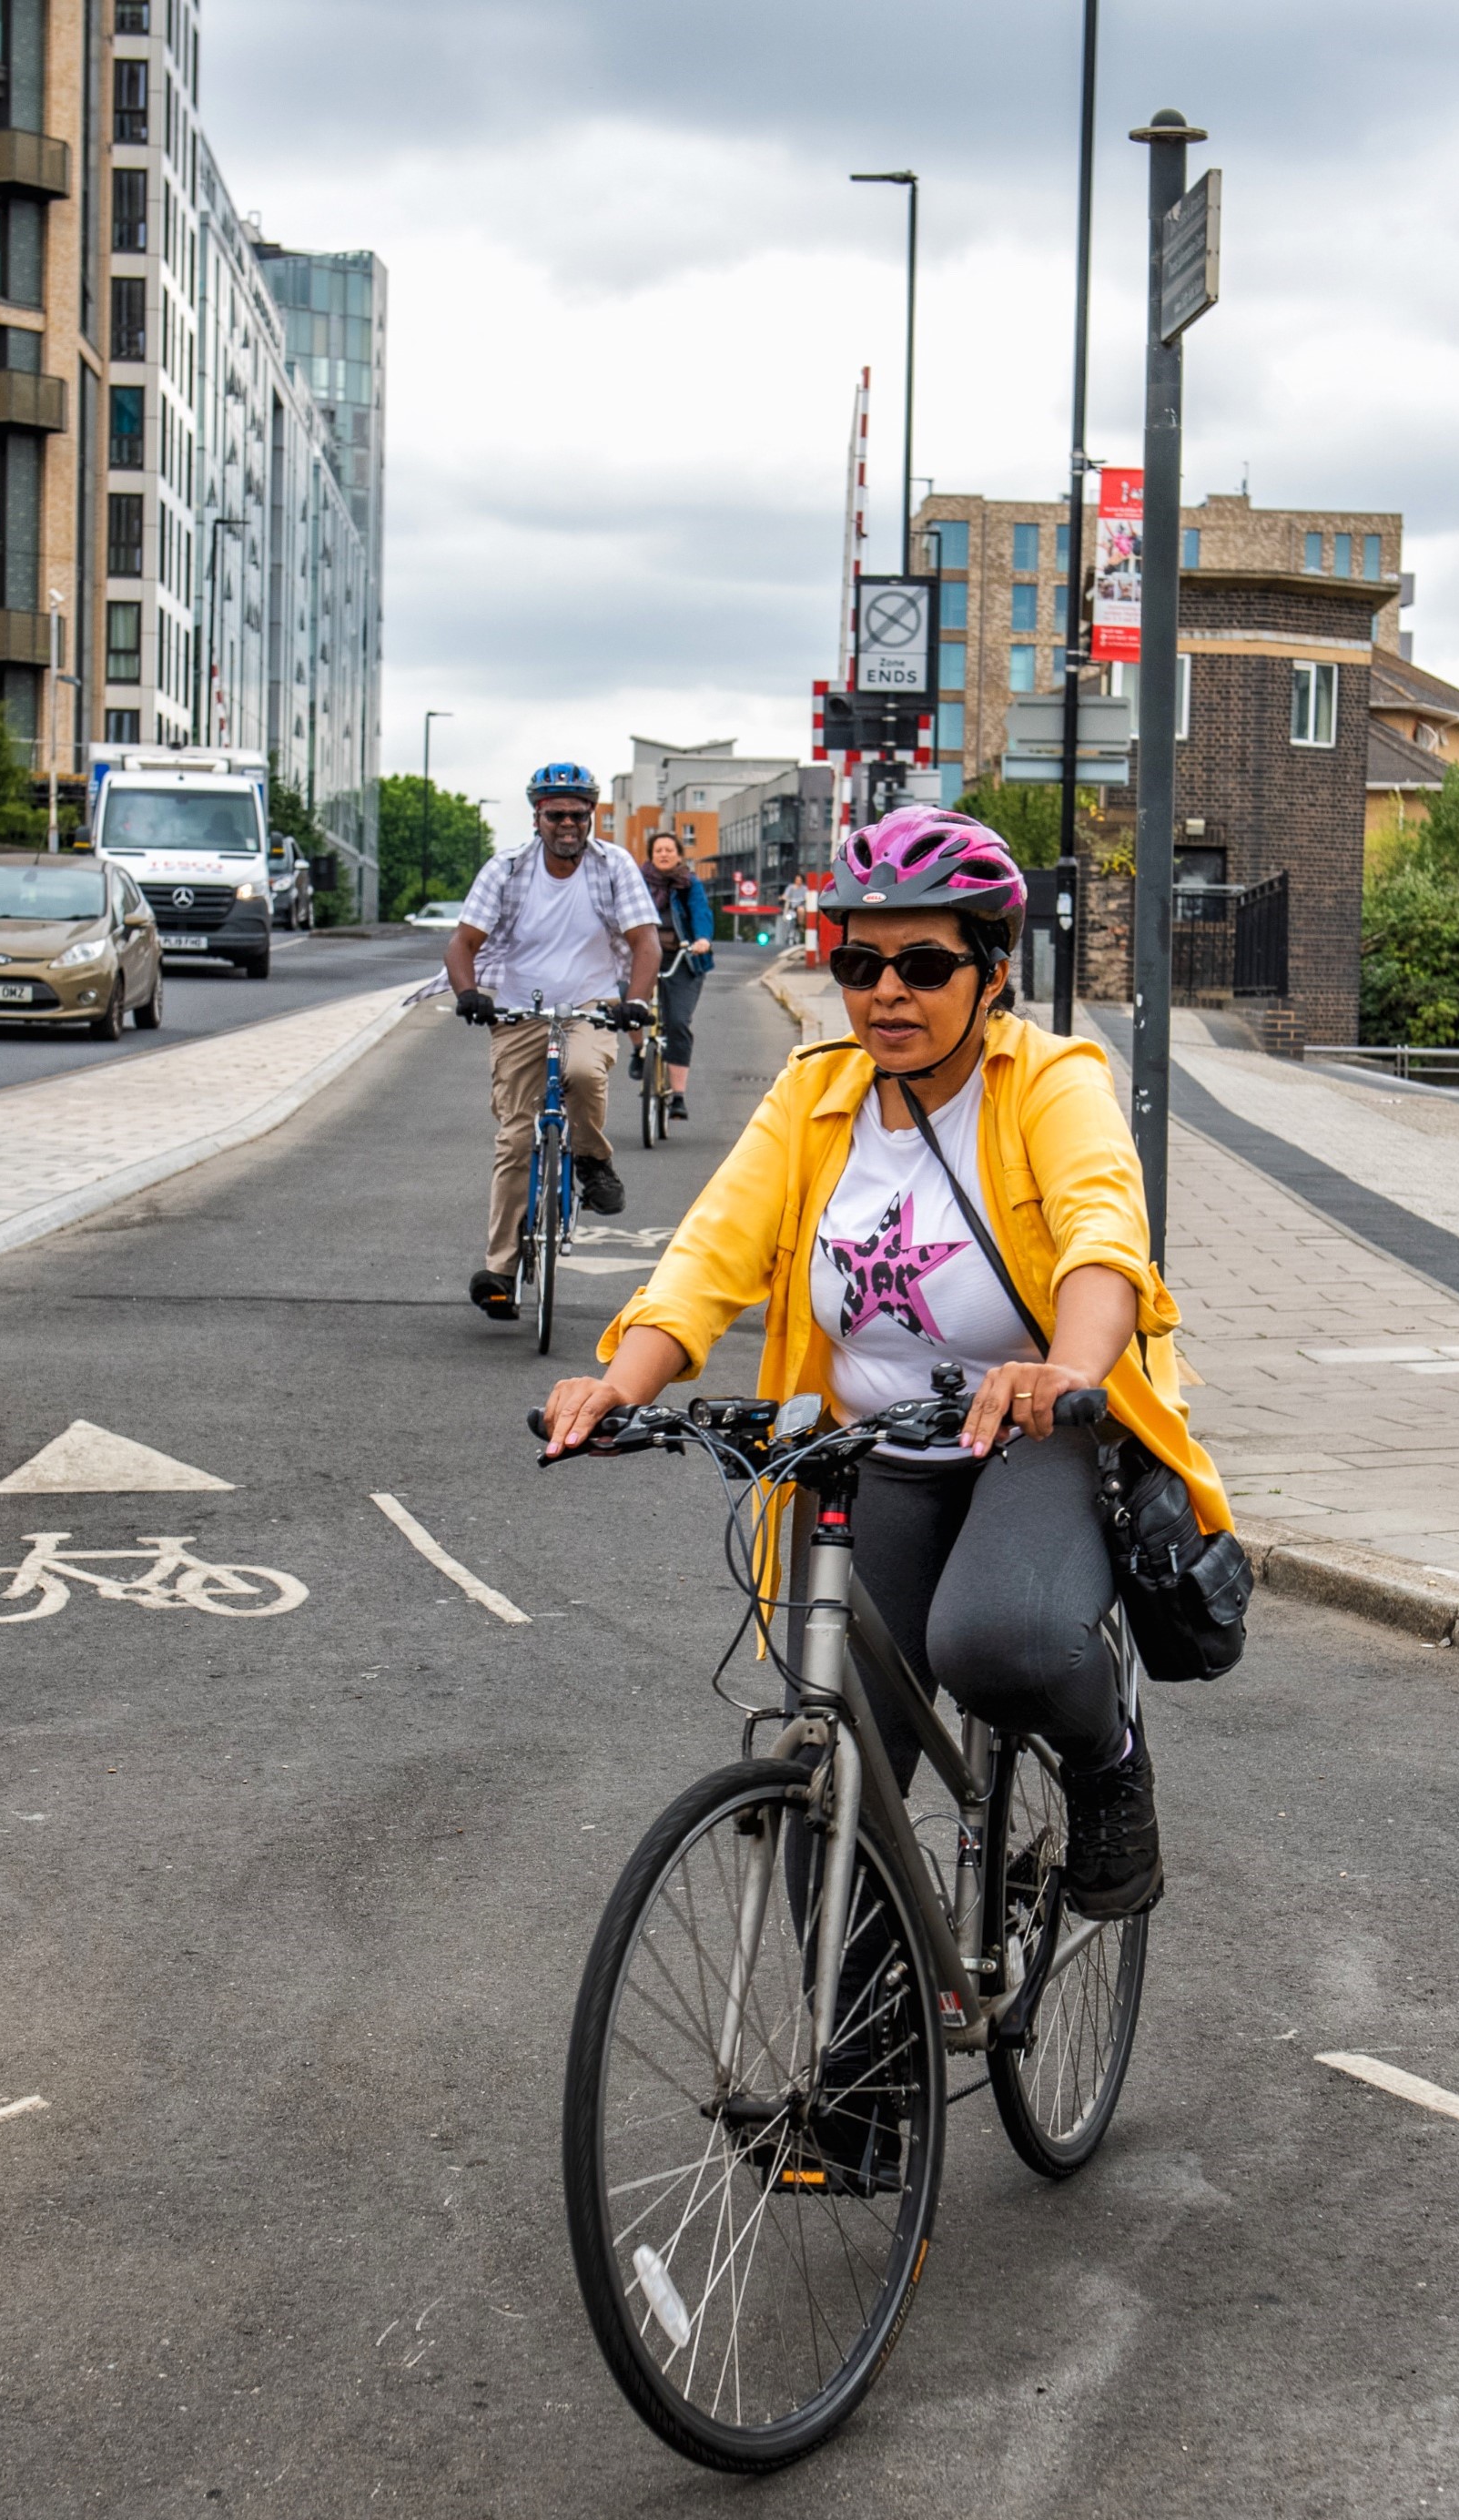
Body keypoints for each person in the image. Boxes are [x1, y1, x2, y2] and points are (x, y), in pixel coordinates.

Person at [536, 807, 1221, 1919]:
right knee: (834, 1768)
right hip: (875, 1448)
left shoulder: (1052, 1084)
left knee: (998, 1639)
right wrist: (622, 1380)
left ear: (990, 974)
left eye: (923, 963)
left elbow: (1105, 1236)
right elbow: (714, 1251)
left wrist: (1067, 1369)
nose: (886, 991)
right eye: (859, 962)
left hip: (1036, 1434)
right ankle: (855, 2078)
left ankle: (1108, 1760)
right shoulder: (816, 1094)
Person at [449, 764, 660, 1321]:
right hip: (519, 1011)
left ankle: (592, 1159)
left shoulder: (613, 867)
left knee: (587, 1073)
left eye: (577, 813)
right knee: (516, 1141)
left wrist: (633, 1001)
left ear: (591, 815)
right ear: (537, 818)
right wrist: (470, 993)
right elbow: (462, 942)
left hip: (588, 1007)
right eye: (555, 814)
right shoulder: (508, 869)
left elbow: (646, 944)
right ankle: (499, 1269)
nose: (567, 823)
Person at [640, 828, 717, 1120]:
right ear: (651, 855)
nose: (663, 854)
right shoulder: (637, 883)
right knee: (627, 1003)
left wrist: (702, 940)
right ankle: (638, 1053)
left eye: (669, 850)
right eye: (658, 850)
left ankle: (677, 1095)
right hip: (644, 957)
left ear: (679, 856)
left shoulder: (689, 884)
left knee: (678, 1022)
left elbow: (701, 913)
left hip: (683, 958)